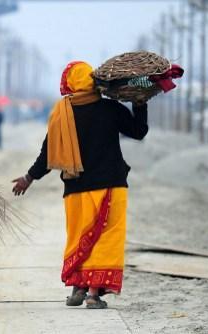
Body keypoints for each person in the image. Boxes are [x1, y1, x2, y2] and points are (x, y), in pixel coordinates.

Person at [12, 61, 149, 309]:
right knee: (105, 238)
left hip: (75, 189)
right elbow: (138, 132)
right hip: (110, 186)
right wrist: (140, 103)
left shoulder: (62, 113)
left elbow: (48, 153)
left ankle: (79, 287)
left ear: (69, 83)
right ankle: (93, 295)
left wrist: (29, 178)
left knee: (79, 237)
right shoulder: (110, 109)